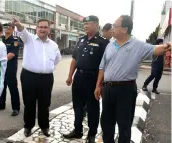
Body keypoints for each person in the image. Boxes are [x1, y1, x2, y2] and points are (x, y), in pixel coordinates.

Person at [94, 15, 171, 143]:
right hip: (107, 89)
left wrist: (168, 46)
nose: (112, 28)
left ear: (124, 29)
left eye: (115, 26)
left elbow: (156, 49)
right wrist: (98, 85)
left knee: (124, 124)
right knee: (106, 122)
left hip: (126, 90)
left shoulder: (138, 45)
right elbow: (102, 67)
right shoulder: (110, 45)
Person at [63, 15, 109, 143]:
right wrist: (70, 76)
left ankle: (91, 134)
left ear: (96, 24)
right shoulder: (81, 40)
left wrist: (99, 85)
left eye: (88, 23)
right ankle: (77, 131)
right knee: (77, 106)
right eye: (84, 24)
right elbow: (74, 59)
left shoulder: (103, 42)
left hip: (93, 79)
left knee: (92, 108)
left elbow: (105, 65)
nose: (86, 26)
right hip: (79, 77)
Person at [13, 17, 61, 137]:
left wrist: (46, 68)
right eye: (40, 27)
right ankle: (28, 126)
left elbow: (57, 59)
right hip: (29, 76)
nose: (42, 29)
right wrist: (18, 24)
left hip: (46, 78)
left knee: (45, 104)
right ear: (36, 28)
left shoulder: (53, 45)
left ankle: (44, 127)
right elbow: (22, 31)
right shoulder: (29, 39)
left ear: (49, 30)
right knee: (29, 103)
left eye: (45, 27)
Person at [0, 23, 21, 116]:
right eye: (5, 27)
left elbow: (12, 54)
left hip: (10, 68)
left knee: (13, 88)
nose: (7, 29)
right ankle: (1, 104)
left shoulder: (15, 40)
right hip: (1, 68)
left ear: (13, 29)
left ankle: (16, 108)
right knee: (2, 86)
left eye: (9, 27)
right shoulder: (0, 39)